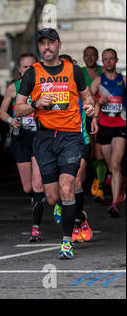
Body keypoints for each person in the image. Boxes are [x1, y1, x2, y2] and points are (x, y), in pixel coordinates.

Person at [15, 28, 96, 260]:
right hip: (44, 139)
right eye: (42, 43)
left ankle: (67, 241)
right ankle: (67, 209)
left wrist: (90, 106)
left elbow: (87, 95)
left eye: (51, 42)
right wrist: (36, 102)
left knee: (67, 186)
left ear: (59, 45)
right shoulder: (32, 73)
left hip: (70, 136)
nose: (47, 47)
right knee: (51, 197)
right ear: (39, 47)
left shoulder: (74, 70)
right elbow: (19, 107)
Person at [0, 53, 46, 242]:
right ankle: (43, 199)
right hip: (20, 138)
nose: (28, 70)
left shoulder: (43, 86)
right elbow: (1, 112)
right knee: (27, 188)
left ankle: (36, 227)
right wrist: (12, 120)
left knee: (37, 185)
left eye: (31, 66)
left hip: (39, 137)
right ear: (19, 70)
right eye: (24, 67)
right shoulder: (13, 87)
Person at [53, 54, 97, 243]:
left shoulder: (80, 88)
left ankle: (79, 221)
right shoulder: (51, 89)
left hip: (81, 140)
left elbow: (91, 102)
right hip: (56, 143)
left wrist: (93, 115)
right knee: (60, 187)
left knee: (77, 179)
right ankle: (63, 206)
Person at [90, 48, 126, 217]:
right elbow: (87, 98)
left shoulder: (123, 80)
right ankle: (120, 185)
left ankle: (114, 204)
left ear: (116, 60)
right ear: (102, 62)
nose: (108, 62)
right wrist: (98, 99)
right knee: (111, 167)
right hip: (104, 127)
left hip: (120, 126)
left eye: (111, 59)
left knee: (114, 165)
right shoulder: (98, 81)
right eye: (105, 59)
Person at [82, 46, 107, 202]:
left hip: (103, 115)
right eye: (87, 55)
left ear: (97, 56)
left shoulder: (103, 71)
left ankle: (100, 182)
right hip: (85, 115)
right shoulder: (80, 73)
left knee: (99, 149)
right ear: (84, 57)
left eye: (92, 55)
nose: (90, 58)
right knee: (89, 149)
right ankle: (92, 179)